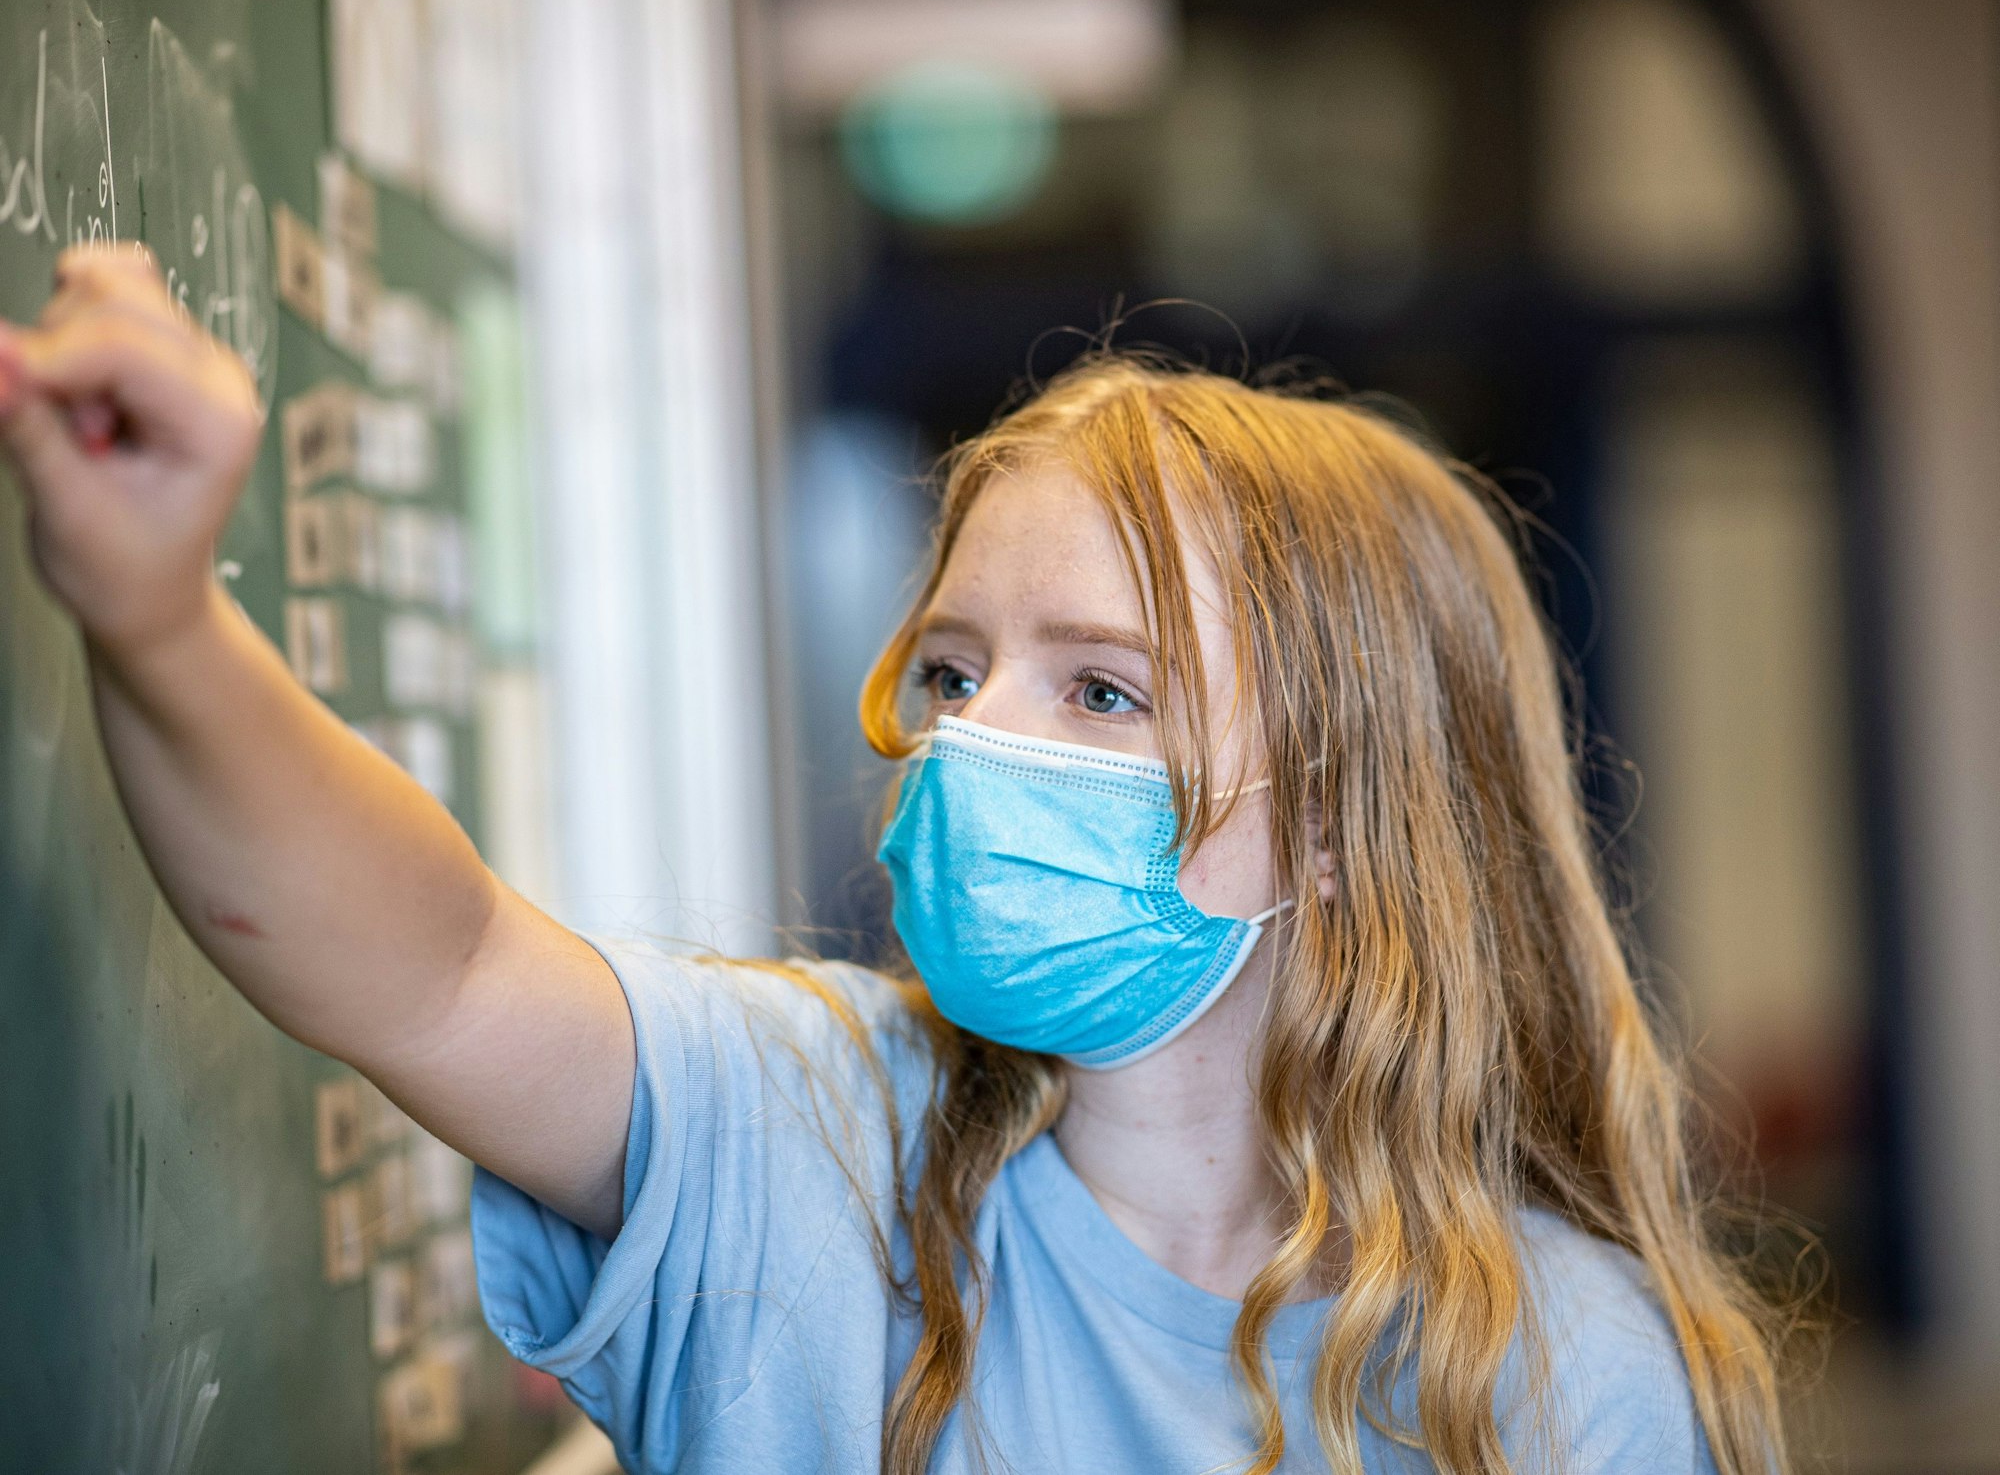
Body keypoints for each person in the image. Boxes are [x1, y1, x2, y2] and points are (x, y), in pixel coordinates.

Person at [0, 244, 1796, 1474]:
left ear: (1338, 822)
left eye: (1102, 691)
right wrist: (164, 622)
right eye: (951, 668)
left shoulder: (1564, 1377)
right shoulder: (806, 1138)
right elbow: (434, 964)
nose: (975, 736)